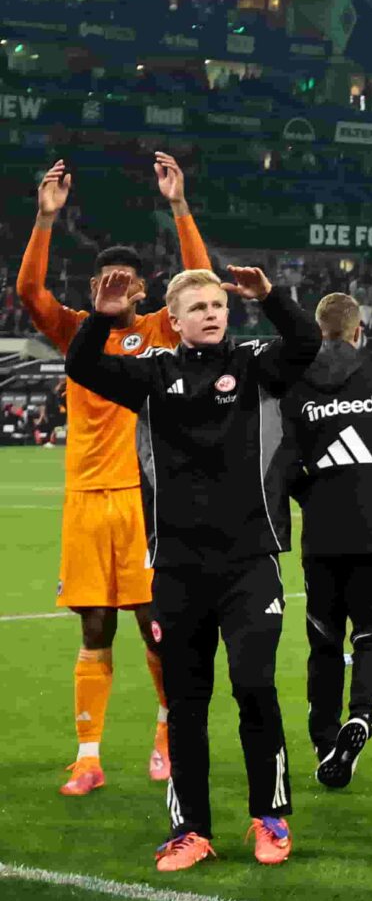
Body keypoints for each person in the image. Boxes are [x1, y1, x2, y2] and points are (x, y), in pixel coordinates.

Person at [64, 264, 320, 870]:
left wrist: (270, 297)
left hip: (250, 561)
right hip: (178, 566)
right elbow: (82, 367)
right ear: (174, 321)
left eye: (217, 306)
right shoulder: (152, 374)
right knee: (186, 701)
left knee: (254, 686)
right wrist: (101, 318)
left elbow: (305, 342)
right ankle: (190, 830)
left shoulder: (256, 364)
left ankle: (270, 817)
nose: (211, 314)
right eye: (198, 307)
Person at [17, 154, 204, 795]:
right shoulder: (76, 332)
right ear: (93, 289)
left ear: (146, 291)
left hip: (148, 501)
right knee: (94, 626)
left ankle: (166, 735)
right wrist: (46, 218)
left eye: (127, 280)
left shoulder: (161, 331)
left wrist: (178, 206)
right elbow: (30, 293)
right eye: (106, 280)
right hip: (86, 501)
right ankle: (88, 757)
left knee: (155, 624)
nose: (117, 287)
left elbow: (200, 280)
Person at [285, 291, 372, 788]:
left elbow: (283, 462)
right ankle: (361, 715)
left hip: (322, 533)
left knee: (323, 642)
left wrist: (310, 496)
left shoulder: (297, 385)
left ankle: (325, 741)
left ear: (318, 331)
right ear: (360, 331)